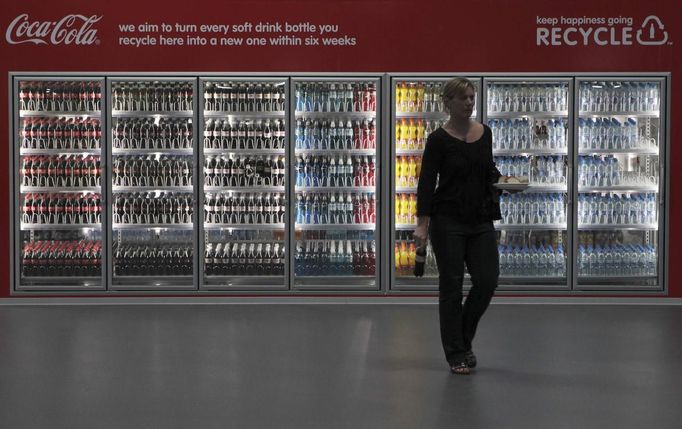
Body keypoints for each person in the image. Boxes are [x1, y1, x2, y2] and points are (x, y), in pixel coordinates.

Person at [413, 77, 503, 375]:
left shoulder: (485, 133)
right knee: (451, 287)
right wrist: (422, 226)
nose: (469, 102)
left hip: (480, 219)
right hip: (447, 221)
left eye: (471, 97)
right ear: (448, 102)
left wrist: (505, 183)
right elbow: (427, 184)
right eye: (463, 98)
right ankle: (456, 353)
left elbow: (487, 170)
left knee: (487, 280)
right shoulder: (438, 140)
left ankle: (462, 338)